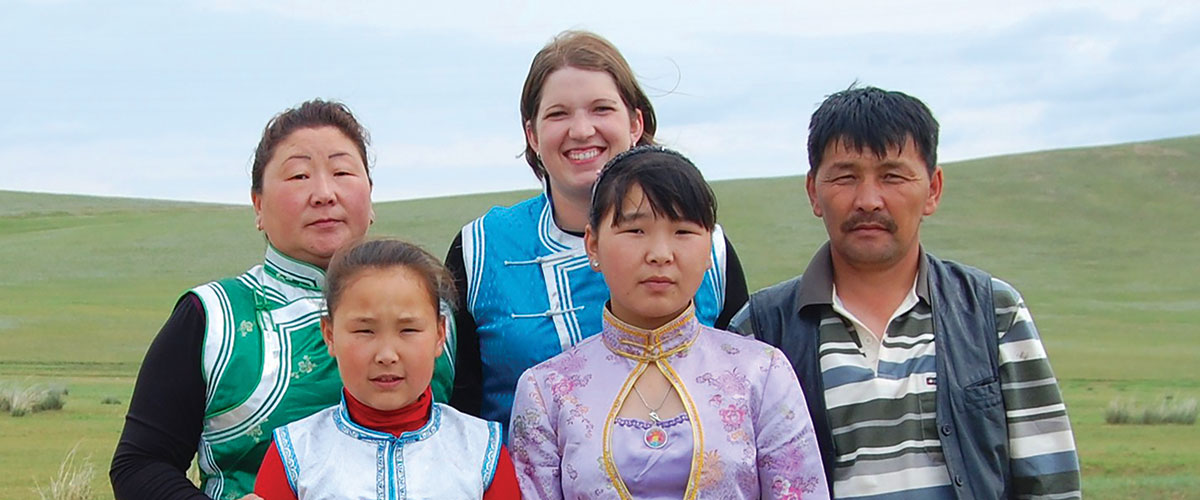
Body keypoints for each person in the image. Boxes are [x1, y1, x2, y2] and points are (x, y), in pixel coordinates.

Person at [729, 86, 1082, 499]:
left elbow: (1050, 481)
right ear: (813, 191)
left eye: (892, 176)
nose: (868, 200)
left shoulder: (993, 312)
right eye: (845, 177)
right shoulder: (761, 330)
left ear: (933, 189)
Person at [110, 100, 455, 500]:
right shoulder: (213, 317)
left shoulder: (435, 312)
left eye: (342, 172)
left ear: (371, 196)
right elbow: (139, 465)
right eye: (298, 176)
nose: (324, 193)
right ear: (257, 205)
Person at [446, 30, 749, 432]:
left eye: (601, 109)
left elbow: (742, 382)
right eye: (558, 114)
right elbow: (455, 411)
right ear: (532, 135)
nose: (582, 130)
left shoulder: (704, 244)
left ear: (636, 123)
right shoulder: (479, 250)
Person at [509, 146, 828, 499]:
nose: (660, 253)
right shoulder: (547, 390)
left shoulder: (762, 372)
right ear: (593, 245)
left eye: (683, 232)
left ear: (710, 249)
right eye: (635, 230)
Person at [252, 239, 519, 499]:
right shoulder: (295, 455)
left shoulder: (481, 450)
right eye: (365, 330)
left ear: (440, 334)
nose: (387, 355)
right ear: (330, 334)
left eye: (408, 329)